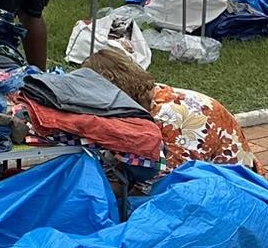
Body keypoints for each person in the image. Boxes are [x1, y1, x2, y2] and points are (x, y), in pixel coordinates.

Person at [80, 49, 255, 173]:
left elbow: (172, 178)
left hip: (233, 187)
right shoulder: (155, 94)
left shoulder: (167, 116)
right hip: (211, 173)